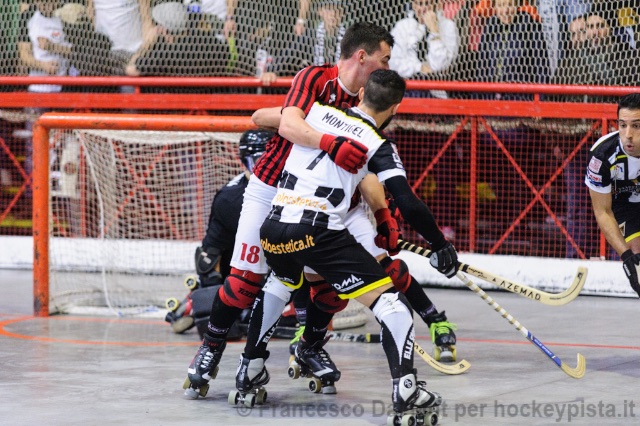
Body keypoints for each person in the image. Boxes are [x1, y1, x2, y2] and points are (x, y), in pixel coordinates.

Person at [182, 21, 397, 399]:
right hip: (271, 189)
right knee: (244, 282)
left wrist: (383, 213)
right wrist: (328, 140)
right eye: (385, 59)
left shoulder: (369, 101)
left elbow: (363, 169)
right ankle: (210, 349)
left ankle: (308, 345)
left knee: (333, 289)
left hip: (320, 201)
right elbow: (286, 125)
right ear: (362, 57)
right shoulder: (316, 78)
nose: (388, 68)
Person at [254, 69, 455, 418]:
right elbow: (408, 203)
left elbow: (264, 117)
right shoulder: (377, 142)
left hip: (274, 225)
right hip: (319, 228)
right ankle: (406, 389)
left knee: (284, 287)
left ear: (361, 93)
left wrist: (381, 215)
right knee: (392, 303)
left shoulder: (315, 111)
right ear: (396, 107)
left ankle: (251, 368)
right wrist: (439, 244)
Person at [165, 129, 274, 338]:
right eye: (259, 162)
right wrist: (213, 302)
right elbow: (209, 256)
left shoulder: (294, 187)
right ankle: (201, 302)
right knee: (221, 318)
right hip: (248, 270)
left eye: (271, 161)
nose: (266, 169)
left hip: (284, 261)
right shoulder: (230, 199)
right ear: (246, 162)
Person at [584, 93, 640, 298]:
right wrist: (626, 257)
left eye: (636, 126)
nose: (628, 135)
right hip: (624, 206)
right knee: (638, 264)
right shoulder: (602, 155)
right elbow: (603, 212)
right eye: (622, 125)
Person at [389, 0, 460, 99]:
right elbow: (393, 63)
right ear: (413, 5)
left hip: (436, 92)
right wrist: (419, 68)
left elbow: (440, 65)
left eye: (427, 3)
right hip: (406, 90)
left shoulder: (448, 26)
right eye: (419, 4)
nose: (422, 9)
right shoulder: (402, 26)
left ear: (437, 5)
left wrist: (434, 31)